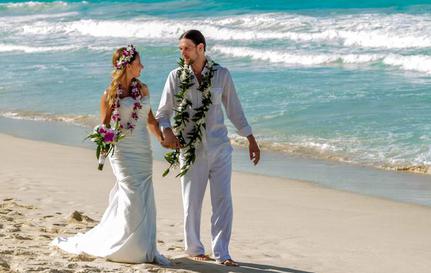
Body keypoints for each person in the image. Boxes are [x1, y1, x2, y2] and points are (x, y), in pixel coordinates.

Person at [51, 45, 170, 265]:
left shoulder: (143, 90)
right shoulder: (109, 95)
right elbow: (105, 126)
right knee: (131, 196)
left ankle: (143, 247)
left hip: (143, 149)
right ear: (127, 66)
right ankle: (125, 246)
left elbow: (151, 121)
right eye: (138, 63)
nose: (142, 67)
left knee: (144, 197)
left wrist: (164, 140)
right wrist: (102, 147)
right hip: (122, 152)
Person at [156, 30, 260, 266]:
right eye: (180, 49)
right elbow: (163, 113)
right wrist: (168, 131)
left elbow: (234, 109)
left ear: (201, 48)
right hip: (191, 150)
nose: (183, 53)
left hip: (220, 147)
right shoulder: (175, 77)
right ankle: (194, 248)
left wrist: (250, 138)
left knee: (223, 200)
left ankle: (222, 252)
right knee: (192, 201)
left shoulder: (221, 74)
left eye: (187, 48)